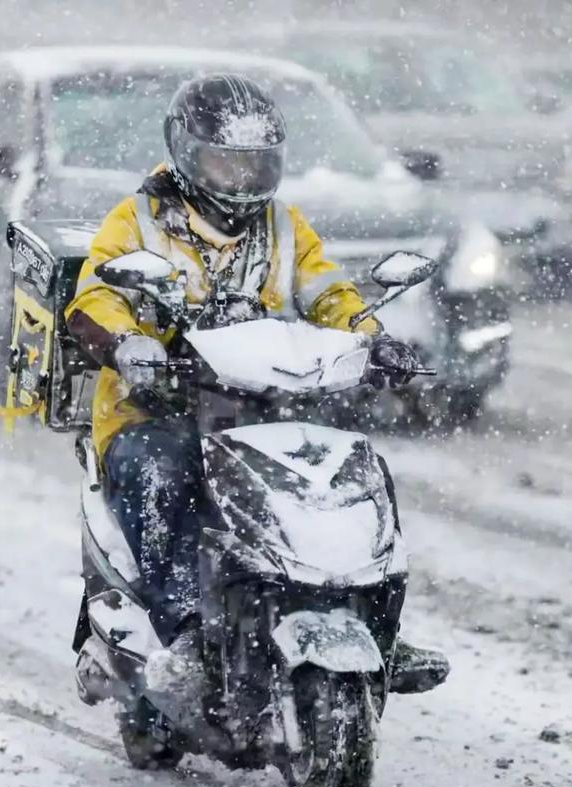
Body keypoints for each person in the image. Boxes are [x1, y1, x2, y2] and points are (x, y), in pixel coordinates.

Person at [65, 73, 447, 694]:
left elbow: (330, 292)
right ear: (188, 154)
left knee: (359, 472)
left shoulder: (283, 225)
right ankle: (184, 630)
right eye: (225, 160)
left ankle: (380, 628)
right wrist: (129, 345)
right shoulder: (137, 220)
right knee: (162, 472)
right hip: (158, 407)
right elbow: (97, 296)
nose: (242, 178)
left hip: (265, 403)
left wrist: (372, 338)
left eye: (256, 163)